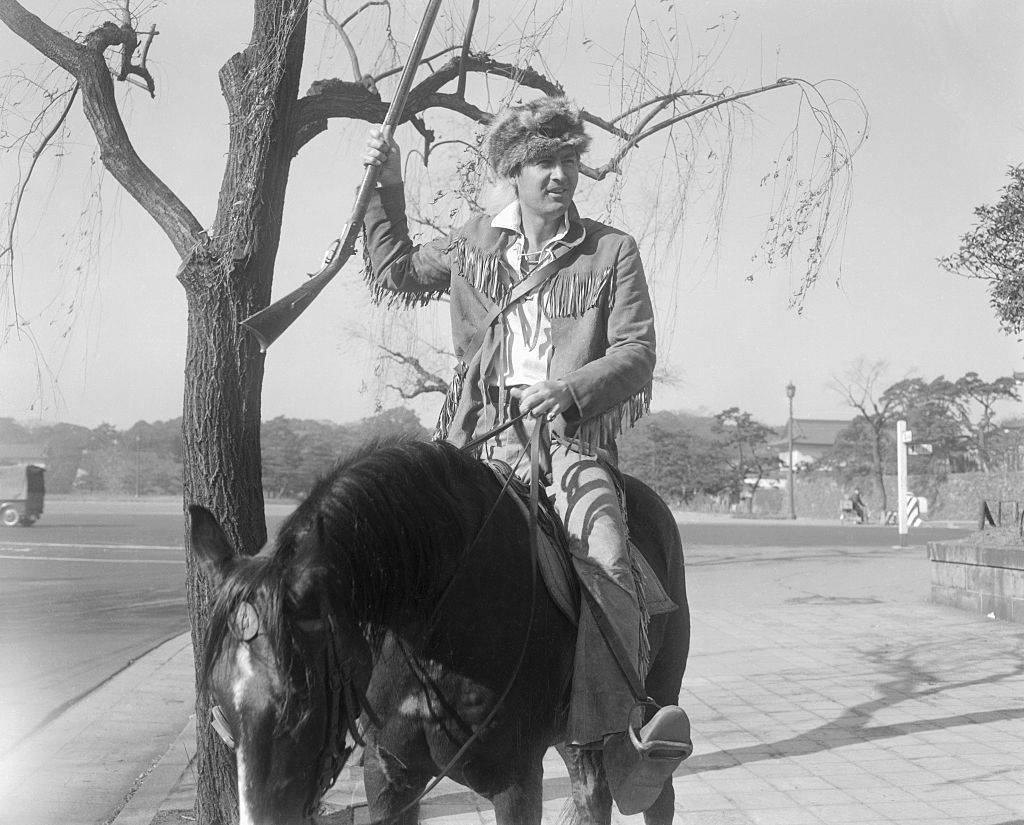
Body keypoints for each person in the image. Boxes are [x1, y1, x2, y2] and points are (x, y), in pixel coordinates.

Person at [360, 96, 689, 810]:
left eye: (569, 160)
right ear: (514, 170)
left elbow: (636, 353)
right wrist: (387, 187)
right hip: (473, 440)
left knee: (607, 551)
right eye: (544, 162)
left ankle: (620, 729)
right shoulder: (474, 243)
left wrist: (570, 391)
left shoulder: (611, 250)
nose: (560, 175)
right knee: (388, 545)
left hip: (566, 445)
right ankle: (367, 720)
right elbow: (392, 268)